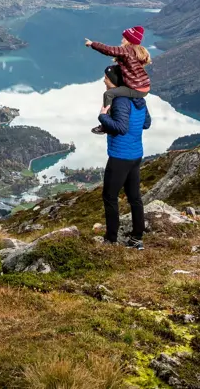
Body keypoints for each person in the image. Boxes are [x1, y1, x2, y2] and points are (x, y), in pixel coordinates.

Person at [97, 64, 151, 249]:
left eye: (106, 77)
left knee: (110, 196)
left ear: (114, 80)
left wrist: (103, 117)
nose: (104, 80)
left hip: (120, 156)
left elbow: (121, 128)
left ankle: (111, 239)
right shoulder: (138, 100)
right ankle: (137, 238)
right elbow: (146, 123)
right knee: (134, 197)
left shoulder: (119, 100)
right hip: (135, 155)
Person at [85, 26, 152, 135]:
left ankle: (105, 123)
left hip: (137, 89)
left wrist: (92, 44)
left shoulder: (126, 50)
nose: (122, 40)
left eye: (124, 38)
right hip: (144, 86)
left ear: (129, 40)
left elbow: (109, 50)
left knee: (108, 94)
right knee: (117, 92)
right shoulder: (138, 51)